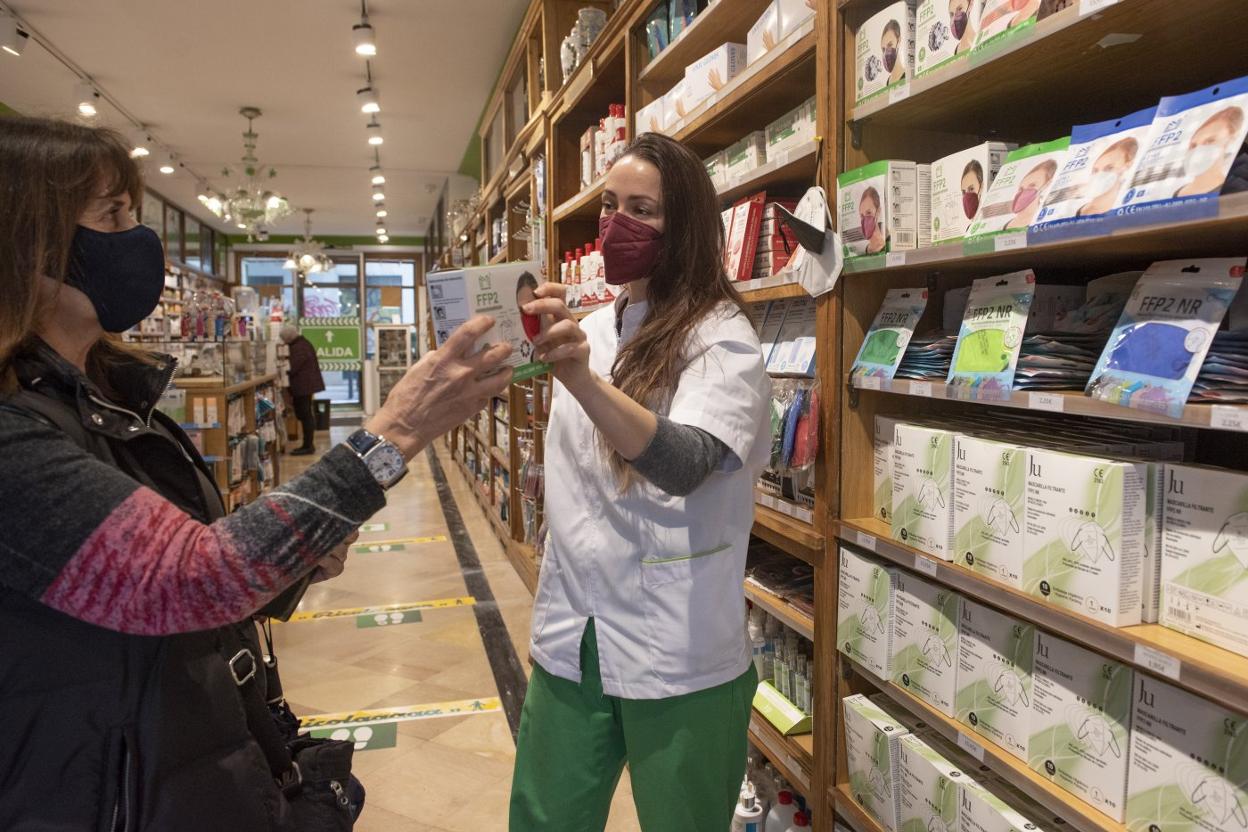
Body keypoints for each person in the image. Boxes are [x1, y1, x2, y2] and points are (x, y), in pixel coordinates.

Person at [0, 115, 513, 831]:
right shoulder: (14, 428)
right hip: (96, 790)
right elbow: (186, 578)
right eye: (111, 214)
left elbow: (188, 548)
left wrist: (293, 558)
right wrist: (398, 429)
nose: (135, 238)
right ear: (31, 239)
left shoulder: (105, 391)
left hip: (176, 759)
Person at [508, 133, 771, 831]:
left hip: (677, 646)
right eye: (609, 205)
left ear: (683, 226)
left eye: (642, 210)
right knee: (543, 818)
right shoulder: (591, 329)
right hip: (575, 633)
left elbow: (684, 463)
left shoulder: (722, 340)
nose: (616, 224)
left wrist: (581, 380)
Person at [1176, 106, 1245, 197]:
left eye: (1209, 141)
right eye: (1193, 145)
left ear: (1231, 139)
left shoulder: (1237, 189)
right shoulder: (1180, 191)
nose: (1198, 151)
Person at [280, 322, 326, 455]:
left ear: (288, 338)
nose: (283, 342)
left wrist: (282, 369)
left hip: (303, 386)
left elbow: (292, 367)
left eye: (284, 339)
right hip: (305, 385)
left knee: (305, 415)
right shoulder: (302, 344)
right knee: (305, 415)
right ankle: (307, 444)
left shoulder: (298, 347)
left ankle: (308, 446)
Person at [1077, 137, 1139, 217]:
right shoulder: (1082, 211)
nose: (1100, 175)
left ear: (1127, 166)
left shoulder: (1128, 206)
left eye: (1109, 168)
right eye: (1095, 170)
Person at [1004, 159, 1058, 229]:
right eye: (1021, 189)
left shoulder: (1045, 225)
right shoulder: (1003, 227)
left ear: (1046, 185)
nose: (1023, 193)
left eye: (1032, 185)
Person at [859, 186, 887, 253]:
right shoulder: (865, 250)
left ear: (878, 211)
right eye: (862, 215)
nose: (865, 220)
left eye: (868, 212)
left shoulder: (888, 244)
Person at [880, 19, 906, 86]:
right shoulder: (887, 82)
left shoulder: (907, 77)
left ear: (899, 40)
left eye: (890, 45)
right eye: (883, 49)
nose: (886, 53)